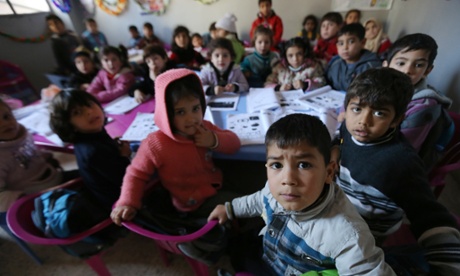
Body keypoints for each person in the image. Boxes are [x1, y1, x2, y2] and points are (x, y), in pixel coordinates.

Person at [208, 113, 394, 275]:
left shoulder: (348, 236)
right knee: (235, 249)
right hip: (270, 254)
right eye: (277, 165)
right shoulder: (278, 189)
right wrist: (229, 208)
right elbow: (259, 199)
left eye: (304, 165)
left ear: (329, 172)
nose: (287, 179)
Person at [333, 68, 460, 275]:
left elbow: (430, 216)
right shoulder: (347, 130)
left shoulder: (401, 164)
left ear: (396, 120)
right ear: (345, 109)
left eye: (379, 113)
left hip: (364, 235)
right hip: (338, 211)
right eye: (357, 109)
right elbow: (339, 140)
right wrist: (333, 151)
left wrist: (448, 268)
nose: (364, 121)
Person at [111, 68, 241, 226]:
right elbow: (136, 174)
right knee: (248, 204)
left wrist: (213, 139)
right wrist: (127, 202)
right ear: (166, 113)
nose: (191, 118)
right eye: (180, 112)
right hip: (194, 205)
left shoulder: (204, 127)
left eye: (195, 108)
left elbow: (234, 144)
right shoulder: (155, 143)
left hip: (215, 184)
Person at [49, 89, 131, 211]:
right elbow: (125, 179)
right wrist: (124, 156)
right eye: (77, 113)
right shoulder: (93, 151)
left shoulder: (91, 133)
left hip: (110, 188)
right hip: (120, 202)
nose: (88, 112)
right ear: (68, 123)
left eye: (89, 105)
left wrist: (113, 147)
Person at [383, 33, 453, 169]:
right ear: (386, 65)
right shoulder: (382, 83)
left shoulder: (425, 106)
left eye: (419, 65)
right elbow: (358, 97)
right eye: (401, 63)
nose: (407, 70)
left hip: (401, 160)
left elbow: (401, 150)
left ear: (427, 71)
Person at [0, 99, 65, 212]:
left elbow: (33, 155)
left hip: (53, 180)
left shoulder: (23, 135)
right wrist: (22, 199)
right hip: (34, 200)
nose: (5, 123)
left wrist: (46, 157)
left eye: (6, 117)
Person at [325, 23, 381, 92]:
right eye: (341, 43)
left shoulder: (371, 66)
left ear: (363, 43)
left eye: (351, 42)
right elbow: (326, 84)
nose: (345, 47)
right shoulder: (335, 63)